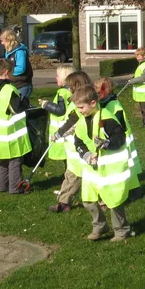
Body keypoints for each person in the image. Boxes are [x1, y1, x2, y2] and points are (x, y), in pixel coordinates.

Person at [71, 85, 137, 242]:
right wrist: (86, 155)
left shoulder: (106, 118)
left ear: (93, 103)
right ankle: (100, 226)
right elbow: (78, 142)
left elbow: (120, 138)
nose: (79, 111)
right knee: (87, 200)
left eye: (81, 107)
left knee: (114, 200)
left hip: (110, 169)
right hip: (92, 169)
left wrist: (107, 143)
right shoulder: (82, 121)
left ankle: (122, 230)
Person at [0, 59, 31, 194]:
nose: (13, 75)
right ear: (5, 72)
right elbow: (17, 108)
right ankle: (15, 187)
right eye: (11, 72)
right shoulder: (9, 90)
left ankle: (2, 186)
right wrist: (25, 101)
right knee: (15, 160)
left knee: (2, 161)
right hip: (10, 134)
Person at [48, 70, 93, 212]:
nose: (68, 89)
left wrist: (59, 133)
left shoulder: (82, 104)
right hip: (73, 149)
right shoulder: (75, 102)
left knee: (89, 178)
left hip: (83, 149)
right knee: (71, 176)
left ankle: (102, 203)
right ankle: (64, 203)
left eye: (69, 86)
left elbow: (72, 122)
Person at [95, 77, 142, 197]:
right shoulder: (108, 103)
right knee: (127, 167)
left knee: (127, 166)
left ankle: (133, 191)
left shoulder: (113, 106)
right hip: (120, 138)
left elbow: (116, 125)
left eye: (98, 90)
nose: (95, 92)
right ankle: (133, 190)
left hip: (121, 139)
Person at [38, 65, 74, 211]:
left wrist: (46, 104)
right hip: (68, 131)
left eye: (58, 76)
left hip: (62, 133)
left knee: (69, 164)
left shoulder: (61, 92)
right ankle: (67, 189)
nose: (56, 78)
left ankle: (67, 189)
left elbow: (60, 110)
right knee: (69, 163)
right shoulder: (70, 91)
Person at [0, 27, 33, 105]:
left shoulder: (20, 52)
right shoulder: (8, 52)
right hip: (14, 85)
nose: (1, 43)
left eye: (2, 41)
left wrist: (8, 73)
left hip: (23, 85)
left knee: (19, 107)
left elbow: (21, 68)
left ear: (8, 40)